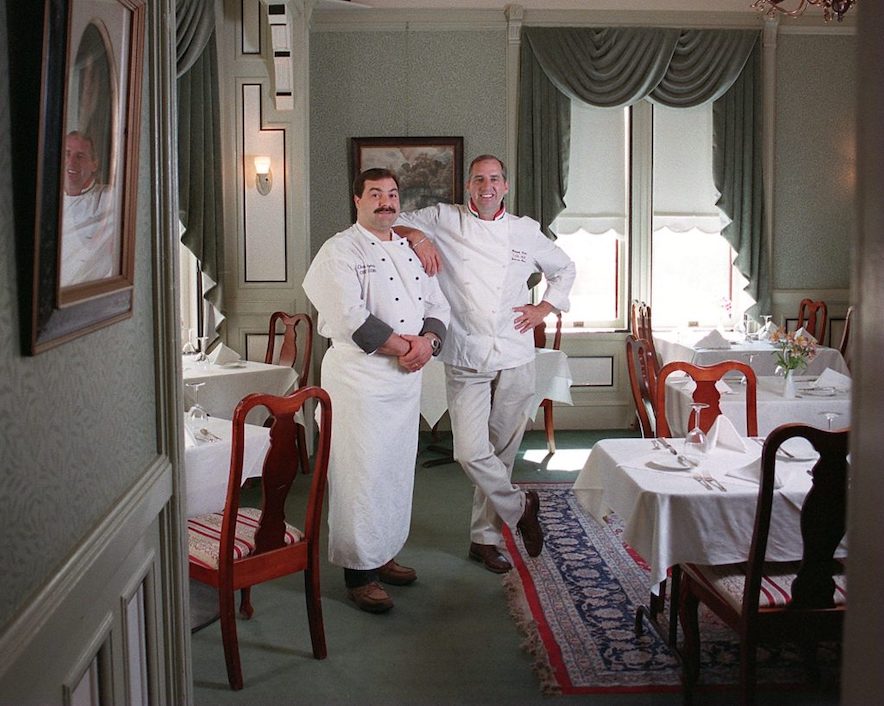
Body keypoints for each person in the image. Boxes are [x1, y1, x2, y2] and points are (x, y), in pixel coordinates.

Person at [395, 154, 575, 573]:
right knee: (471, 451)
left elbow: (565, 269)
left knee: (502, 452)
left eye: (494, 179)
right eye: (479, 179)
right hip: (465, 351)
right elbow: (395, 219)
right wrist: (419, 239)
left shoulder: (525, 231)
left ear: (505, 186)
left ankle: (483, 539)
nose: (487, 186)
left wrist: (543, 308)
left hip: (514, 351)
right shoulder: (443, 218)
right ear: (469, 186)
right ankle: (520, 506)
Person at [302, 168, 450, 613]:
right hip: (358, 381)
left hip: (403, 382)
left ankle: (382, 555)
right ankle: (358, 573)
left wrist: (429, 343)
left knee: (394, 471)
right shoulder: (338, 250)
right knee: (359, 474)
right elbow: (350, 316)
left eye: (392, 194)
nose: (386, 202)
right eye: (375, 194)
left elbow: (438, 306)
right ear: (357, 200)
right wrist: (408, 345)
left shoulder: (409, 249)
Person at [60, 131, 116, 287]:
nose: (71, 163)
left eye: (80, 156)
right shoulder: (44, 199)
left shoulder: (111, 198)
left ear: (94, 164)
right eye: (67, 154)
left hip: (90, 298)